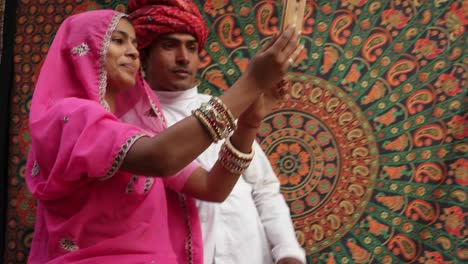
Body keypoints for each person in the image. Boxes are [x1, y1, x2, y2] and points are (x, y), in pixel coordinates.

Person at [25, 8, 300, 264]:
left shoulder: (134, 134)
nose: (131, 52)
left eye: (133, 43)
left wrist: (249, 124)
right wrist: (250, 83)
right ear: (81, 50)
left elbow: (212, 188)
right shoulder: (71, 117)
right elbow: (161, 158)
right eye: (119, 41)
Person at [128, 1, 306, 264]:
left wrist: (289, 253)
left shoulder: (221, 105)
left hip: (252, 254)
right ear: (143, 55)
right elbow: (211, 188)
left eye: (191, 47)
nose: (183, 58)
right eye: (169, 45)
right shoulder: (130, 124)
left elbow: (264, 188)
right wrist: (253, 85)